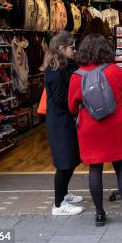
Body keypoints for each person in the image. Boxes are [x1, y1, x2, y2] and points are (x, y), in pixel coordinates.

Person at [68, 34, 122, 227]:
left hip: (89, 128)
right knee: (121, 168)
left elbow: (72, 107)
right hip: (113, 126)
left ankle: (100, 214)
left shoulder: (77, 75)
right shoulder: (114, 70)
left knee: (95, 168)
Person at [41, 31, 83, 216]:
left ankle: (64, 194)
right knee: (64, 162)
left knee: (71, 159)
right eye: (72, 47)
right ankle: (58, 205)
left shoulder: (65, 66)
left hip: (65, 119)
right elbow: (61, 100)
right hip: (60, 121)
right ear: (61, 48)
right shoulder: (55, 71)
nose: (75, 50)